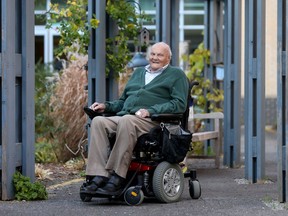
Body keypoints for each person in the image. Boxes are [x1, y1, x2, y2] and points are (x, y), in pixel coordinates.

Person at [81, 42, 189, 196]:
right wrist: (105, 106)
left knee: (127, 120)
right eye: (152, 54)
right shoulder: (138, 73)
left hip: (155, 121)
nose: (155, 57)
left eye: (160, 55)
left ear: (168, 58)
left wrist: (150, 111)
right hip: (128, 116)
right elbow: (123, 102)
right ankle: (98, 175)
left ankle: (117, 176)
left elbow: (179, 104)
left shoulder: (176, 75)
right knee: (99, 122)